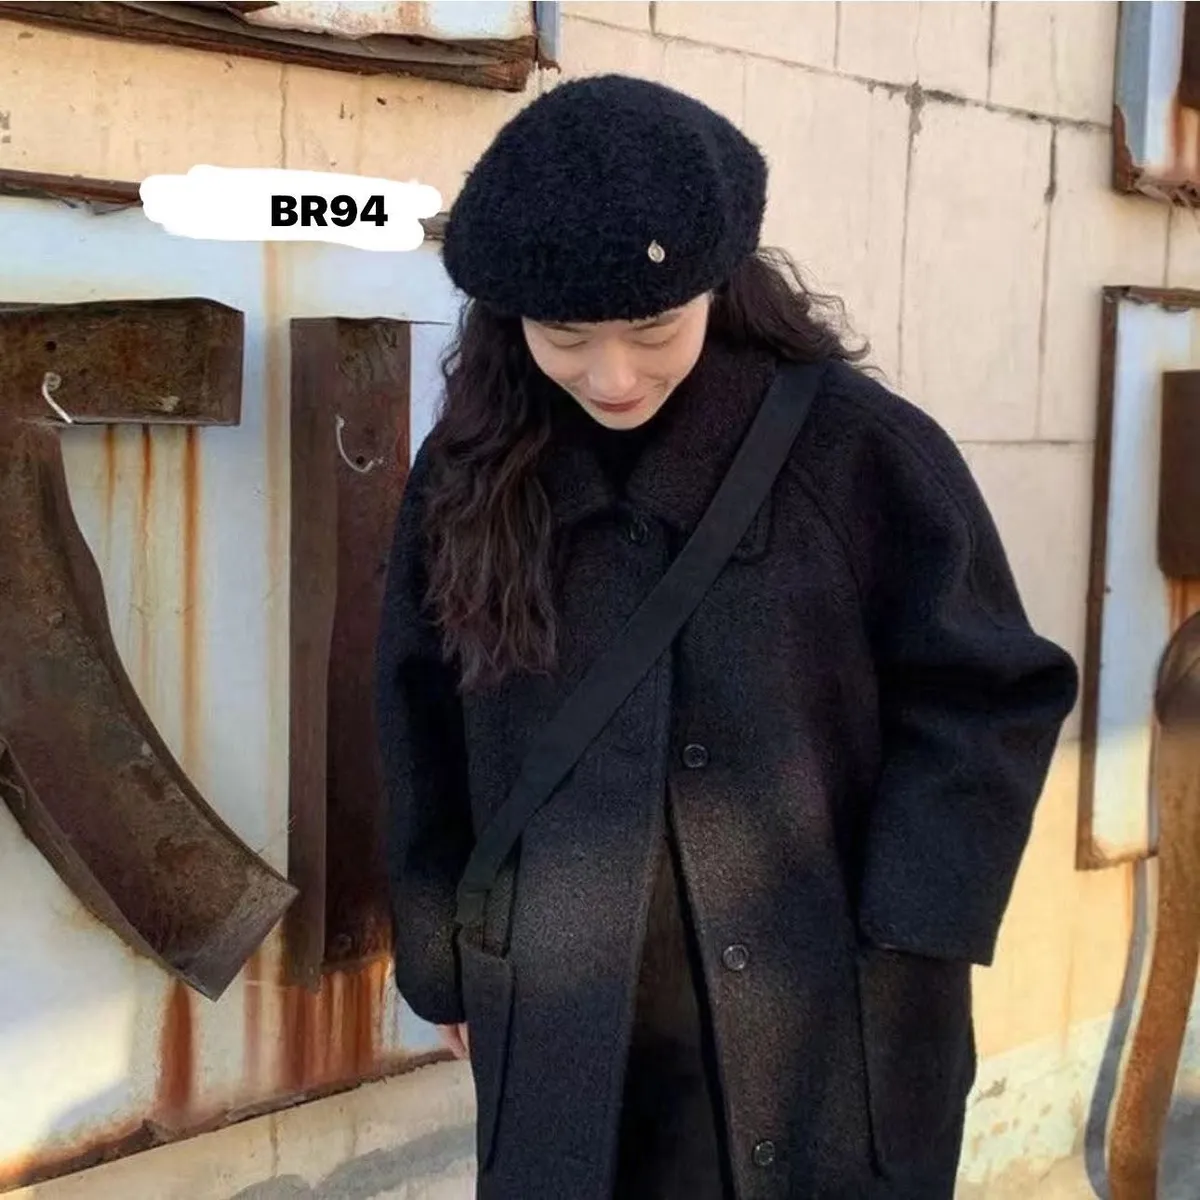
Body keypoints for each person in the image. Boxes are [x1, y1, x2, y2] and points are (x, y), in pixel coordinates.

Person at [374, 73, 1079, 1200]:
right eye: (565, 336)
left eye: (653, 327)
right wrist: (444, 959)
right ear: (511, 320)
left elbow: (991, 691)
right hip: (561, 1005)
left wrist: (910, 929)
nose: (612, 375)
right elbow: (417, 716)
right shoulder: (472, 471)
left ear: (718, 283)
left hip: (823, 1001)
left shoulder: (857, 449)